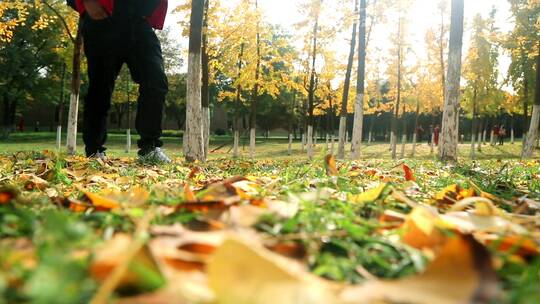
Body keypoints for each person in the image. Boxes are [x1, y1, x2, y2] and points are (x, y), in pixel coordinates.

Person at [67, 0, 171, 163]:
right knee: (100, 86)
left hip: (139, 20)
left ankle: (150, 147)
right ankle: (94, 151)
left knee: (155, 79)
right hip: (102, 18)